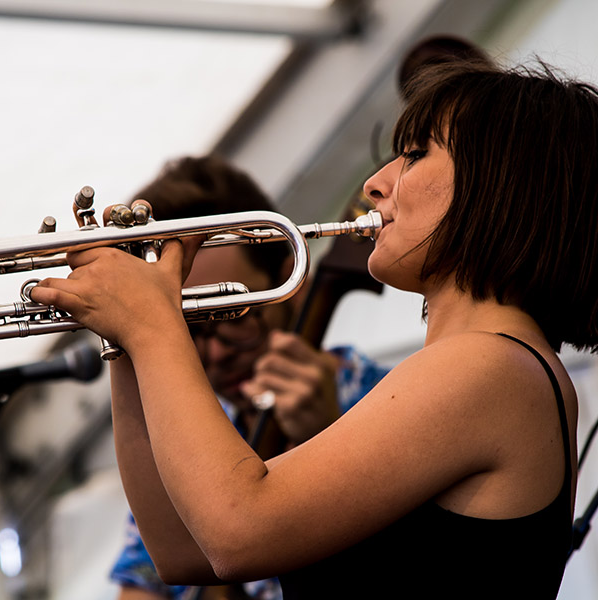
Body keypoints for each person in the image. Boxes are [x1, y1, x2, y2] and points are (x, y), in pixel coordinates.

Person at [31, 58, 598, 598]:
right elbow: (182, 552)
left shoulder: (491, 368)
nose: (376, 183)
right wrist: (126, 340)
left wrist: (153, 325)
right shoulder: (496, 367)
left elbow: (238, 531)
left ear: (502, 185)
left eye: (415, 154)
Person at [103, 155, 388, 600]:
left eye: (233, 315)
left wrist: (329, 436)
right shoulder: (185, 447)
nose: (215, 351)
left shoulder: (398, 401)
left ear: (292, 280)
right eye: (187, 330)